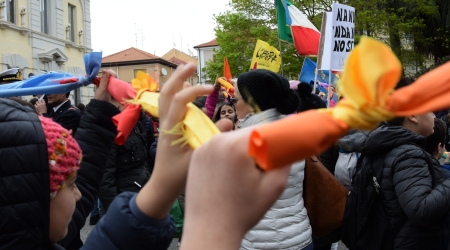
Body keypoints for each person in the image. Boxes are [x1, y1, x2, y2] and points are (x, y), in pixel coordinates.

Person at [0, 70, 120, 249]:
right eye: (71, 185)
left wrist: (102, 112)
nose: (78, 194)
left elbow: (73, 170)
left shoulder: (37, 228)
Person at [232, 69, 312, 250]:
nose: (234, 105)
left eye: (235, 100)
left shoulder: (247, 140)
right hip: (300, 235)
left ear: (252, 105)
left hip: (262, 241)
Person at [356, 101, 450, 248]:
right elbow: (421, 209)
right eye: (430, 110)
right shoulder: (408, 153)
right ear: (413, 115)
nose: (434, 115)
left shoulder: (387, 144)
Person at [98, 103, 151, 213]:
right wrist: (116, 209)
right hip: (123, 202)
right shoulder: (110, 129)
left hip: (140, 195)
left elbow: (143, 162)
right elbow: (105, 177)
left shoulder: (136, 124)